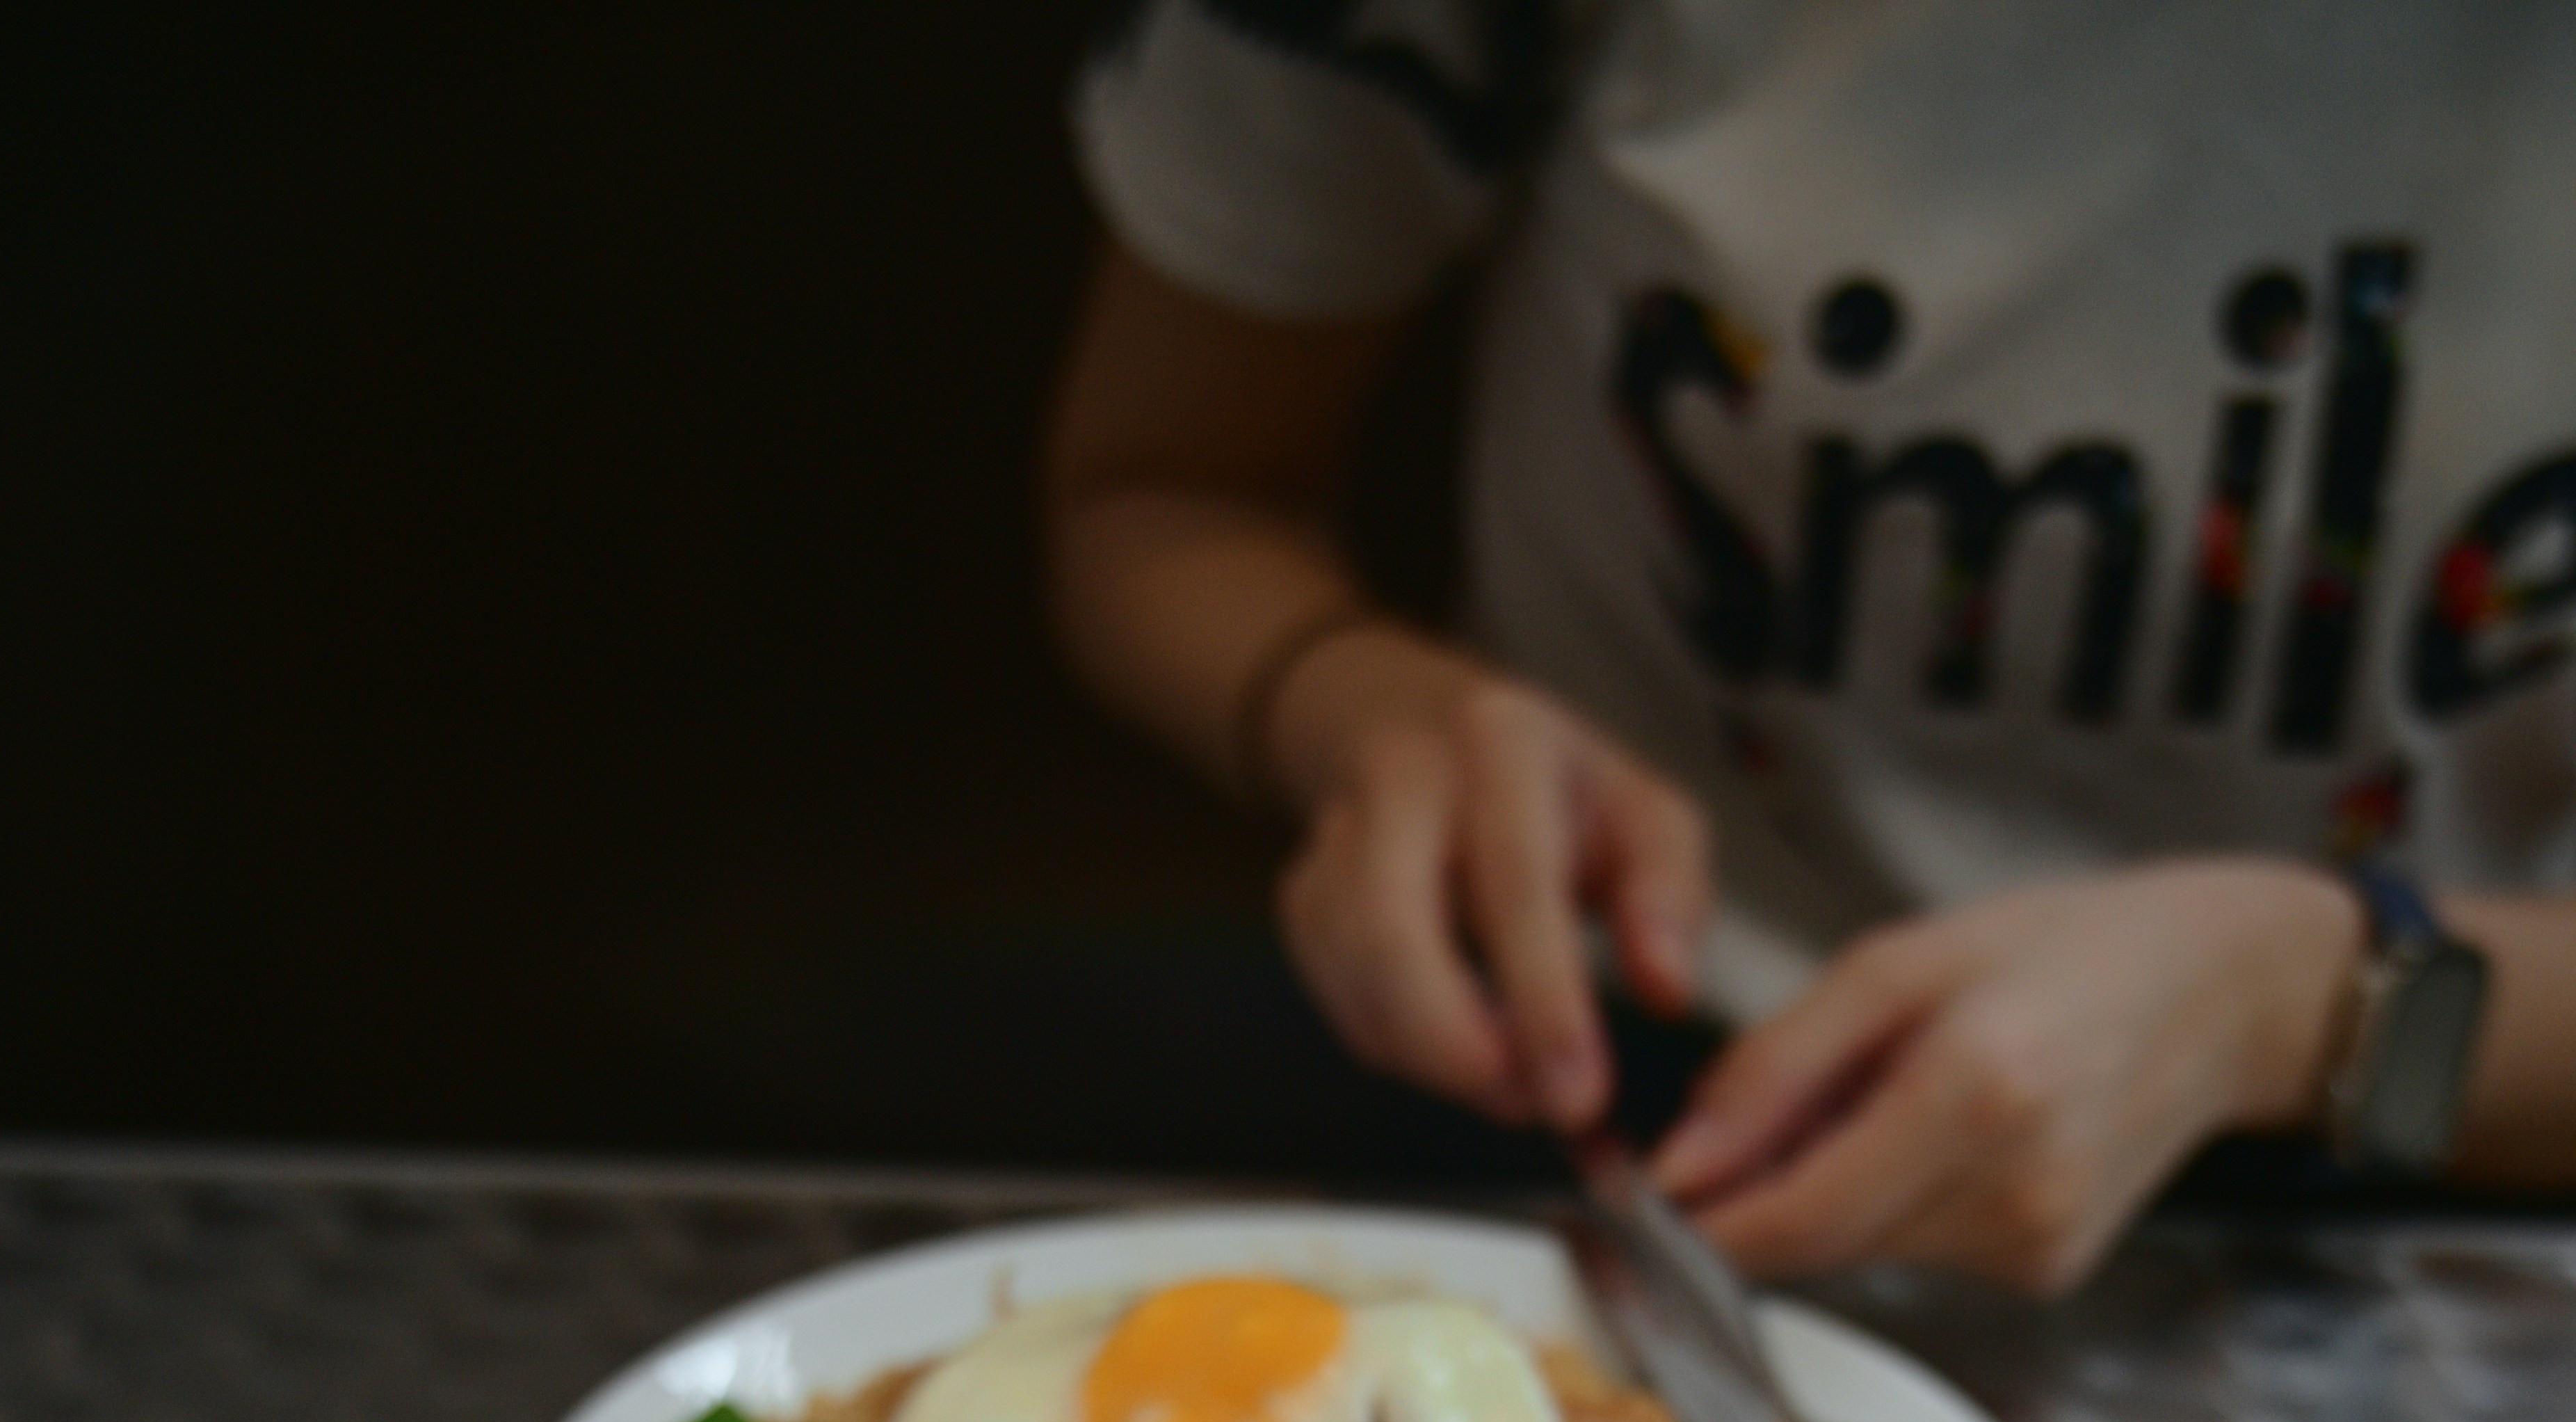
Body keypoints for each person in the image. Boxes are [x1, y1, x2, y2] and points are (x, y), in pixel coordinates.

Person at [1045, 0, 2576, 1286]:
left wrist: (2296, 1008)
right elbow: (1164, 491)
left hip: (2424, 1167)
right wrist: (1366, 712)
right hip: (1611, 1107)